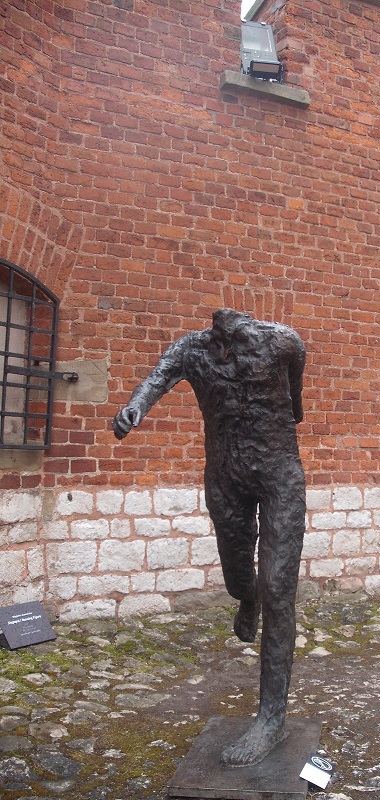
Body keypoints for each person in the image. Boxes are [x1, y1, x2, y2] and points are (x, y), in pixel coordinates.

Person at [112, 308, 306, 767]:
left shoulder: (281, 340)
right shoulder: (190, 349)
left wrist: (294, 404)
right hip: (224, 474)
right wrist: (135, 407)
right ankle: (246, 598)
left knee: (278, 588)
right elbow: (157, 378)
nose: (235, 354)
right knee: (238, 575)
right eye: (228, 347)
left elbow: (298, 370)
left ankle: (271, 718)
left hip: (279, 476)